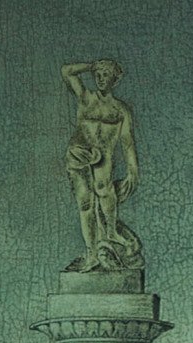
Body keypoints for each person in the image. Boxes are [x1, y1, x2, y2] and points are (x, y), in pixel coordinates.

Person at [62, 59, 142, 272]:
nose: (100, 78)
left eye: (106, 74)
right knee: (85, 203)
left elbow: (127, 143)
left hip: (103, 157)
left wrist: (132, 170)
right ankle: (91, 253)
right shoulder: (85, 97)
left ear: (115, 79)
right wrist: (92, 65)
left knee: (105, 192)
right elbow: (67, 71)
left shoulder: (121, 110)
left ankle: (111, 233)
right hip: (79, 153)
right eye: (98, 74)